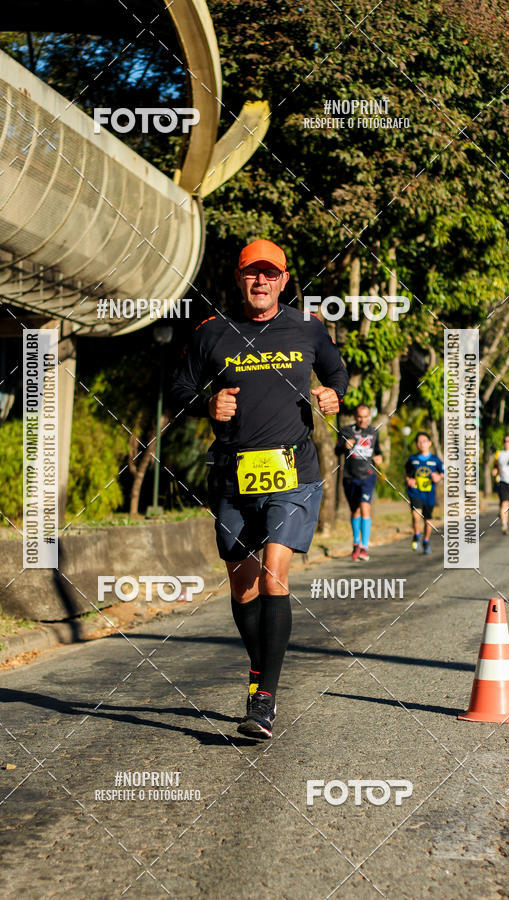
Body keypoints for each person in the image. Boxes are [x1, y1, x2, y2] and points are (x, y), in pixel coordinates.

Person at [171, 239, 349, 740]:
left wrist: (334, 393)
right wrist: (206, 404)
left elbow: (337, 372)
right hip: (231, 475)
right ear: (239, 278)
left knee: (274, 577)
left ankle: (263, 702)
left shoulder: (308, 327)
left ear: (285, 280)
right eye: (253, 274)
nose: (261, 282)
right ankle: (262, 668)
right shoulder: (212, 332)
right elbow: (180, 388)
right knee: (243, 585)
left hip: (294, 473)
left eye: (271, 275)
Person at [335, 405, 383, 561]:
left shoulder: (373, 432)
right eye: (360, 417)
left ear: (370, 416)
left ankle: (364, 547)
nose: (363, 420)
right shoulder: (346, 431)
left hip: (368, 476)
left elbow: (378, 450)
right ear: (355, 417)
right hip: (350, 476)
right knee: (355, 511)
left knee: (365, 507)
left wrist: (379, 457)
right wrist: (344, 445)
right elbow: (337, 450)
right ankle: (356, 543)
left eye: (366, 416)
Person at [404, 432, 444, 555]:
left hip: (429, 495)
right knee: (416, 516)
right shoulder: (412, 459)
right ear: (417, 444)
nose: (422, 444)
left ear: (429, 443)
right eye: (419, 442)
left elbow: (442, 473)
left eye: (424, 441)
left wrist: (438, 477)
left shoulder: (435, 460)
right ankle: (416, 535)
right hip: (415, 492)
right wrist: (409, 480)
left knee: (428, 521)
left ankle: (426, 541)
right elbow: (407, 473)